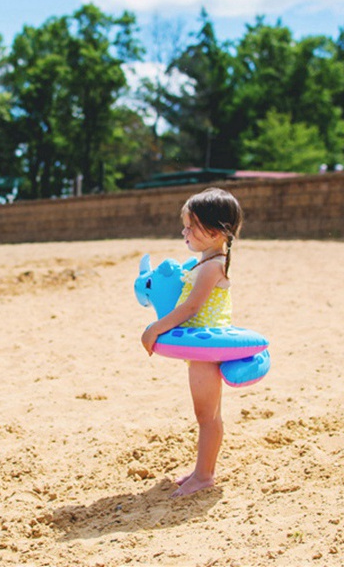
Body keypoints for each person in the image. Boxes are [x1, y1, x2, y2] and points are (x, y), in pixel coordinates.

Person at [141, 187, 244, 496]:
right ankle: (202, 470)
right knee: (208, 414)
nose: (183, 231)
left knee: (207, 415)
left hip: (206, 354)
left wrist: (154, 329)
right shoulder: (204, 262)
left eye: (190, 225)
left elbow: (191, 308)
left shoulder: (213, 266)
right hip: (197, 349)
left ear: (215, 231)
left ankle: (205, 475)